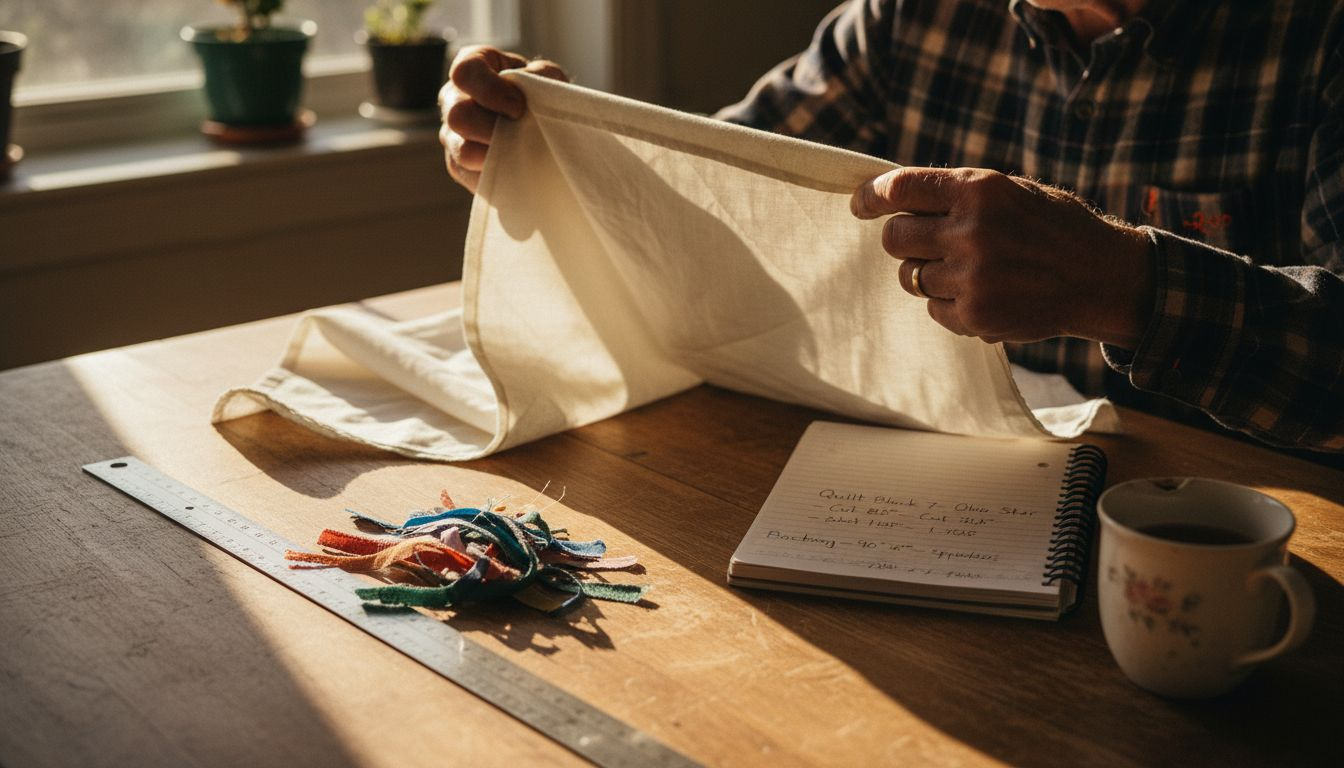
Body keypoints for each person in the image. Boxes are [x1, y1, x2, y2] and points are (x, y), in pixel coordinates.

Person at [438, 0, 1344, 453]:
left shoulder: (1317, 38)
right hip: (931, 494)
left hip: (1235, 547)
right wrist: (558, 147)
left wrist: (1125, 282)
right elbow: (718, 195)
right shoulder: (911, 16)